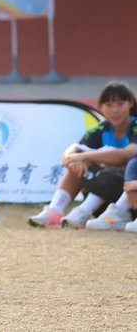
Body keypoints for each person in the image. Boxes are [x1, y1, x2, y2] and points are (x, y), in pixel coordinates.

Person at [29, 81, 137, 230]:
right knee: (80, 166)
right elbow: (71, 152)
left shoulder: (135, 126)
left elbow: (128, 154)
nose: (114, 110)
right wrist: (77, 159)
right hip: (105, 195)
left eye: (119, 104)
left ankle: (85, 212)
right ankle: (55, 210)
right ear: (101, 107)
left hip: (130, 193)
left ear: (131, 103)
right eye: (109, 105)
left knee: (112, 170)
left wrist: (86, 157)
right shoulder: (101, 129)